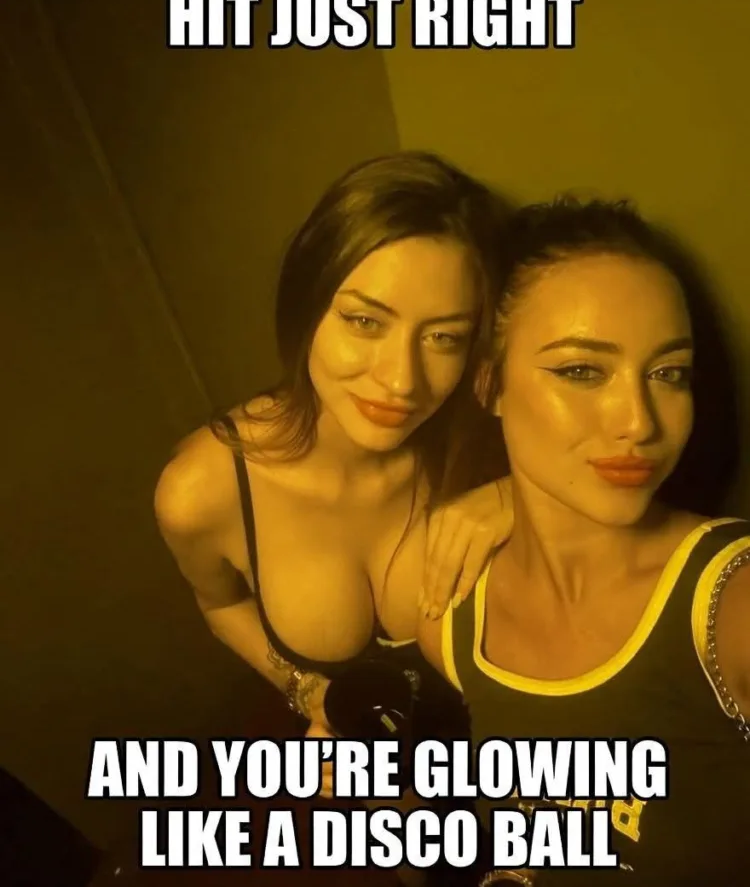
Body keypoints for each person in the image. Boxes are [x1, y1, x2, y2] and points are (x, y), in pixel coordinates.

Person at [418, 197, 750, 884]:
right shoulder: (447, 615)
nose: (640, 422)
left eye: (669, 373)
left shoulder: (732, 610)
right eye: (581, 371)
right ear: (489, 383)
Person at [154, 152, 514, 767]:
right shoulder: (201, 491)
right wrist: (310, 693)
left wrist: (517, 498)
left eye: (444, 337)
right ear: (308, 306)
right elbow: (221, 604)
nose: (402, 381)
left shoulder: (487, 427)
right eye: (365, 321)